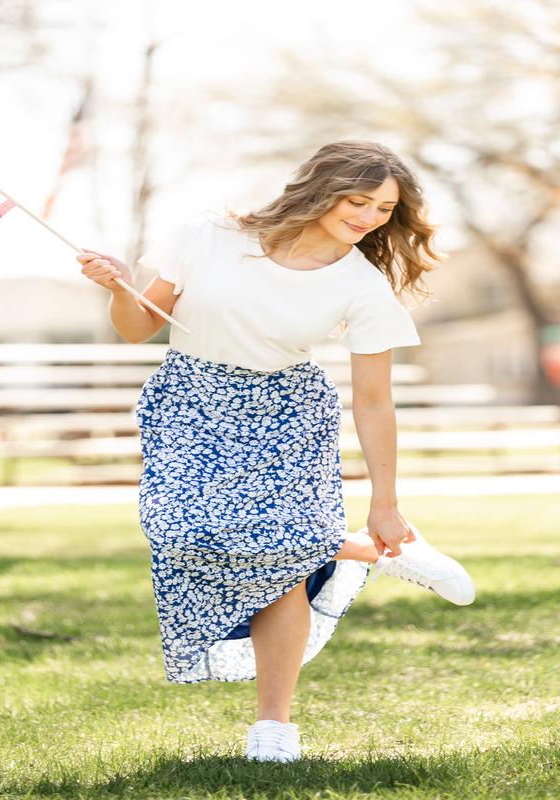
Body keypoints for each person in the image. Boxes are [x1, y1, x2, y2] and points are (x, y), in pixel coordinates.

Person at [77, 140, 443, 762]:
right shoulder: (208, 237)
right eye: (359, 200)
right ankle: (348, 548)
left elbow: (375, 403)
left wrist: (387, 503)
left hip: (286, 413)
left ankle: (273, 727)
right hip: (190, 399)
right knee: (182, 531)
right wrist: (118, 288)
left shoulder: (363, 285)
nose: (370, 217)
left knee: (280, 569)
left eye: (384, 209)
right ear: (319, 188)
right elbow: (139, 326)